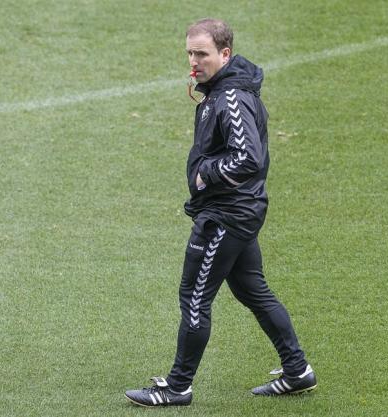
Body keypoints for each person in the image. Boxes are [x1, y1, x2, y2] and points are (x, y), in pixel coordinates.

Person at [124, 18, 317, 407]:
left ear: (224, 54)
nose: (193, 62)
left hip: (227, 214)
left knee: (194, 298)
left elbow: (248, 158)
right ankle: (298, 371)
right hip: (237, 210)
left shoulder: (231, 98)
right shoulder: (222, 91)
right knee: (252, 290)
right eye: (189, 53)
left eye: (202, 54)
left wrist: (202, 177)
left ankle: (178, 387)